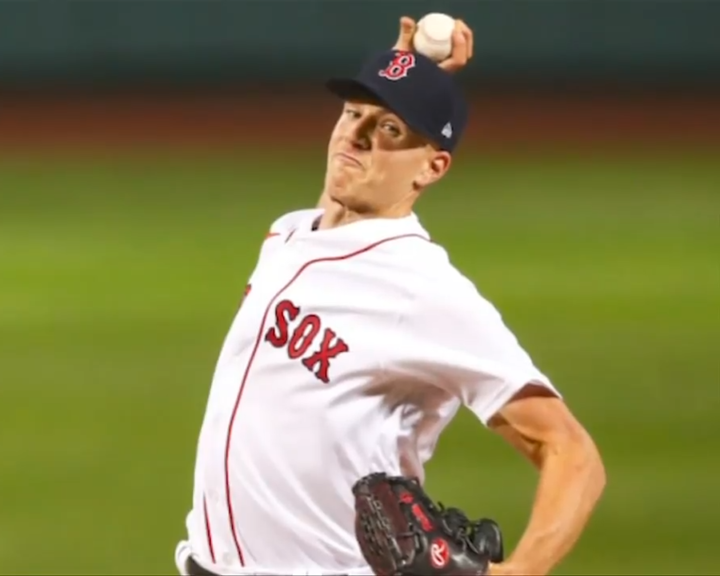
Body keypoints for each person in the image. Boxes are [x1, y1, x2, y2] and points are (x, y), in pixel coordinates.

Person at [174, 15, 606, 576]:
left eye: (390, 129)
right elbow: (342, 207)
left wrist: (520, 571)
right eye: (353, 112)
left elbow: (574, 455)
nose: (356, 135)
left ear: (432, 167)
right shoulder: (291, 230)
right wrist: (408, 75)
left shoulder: (421, 288)